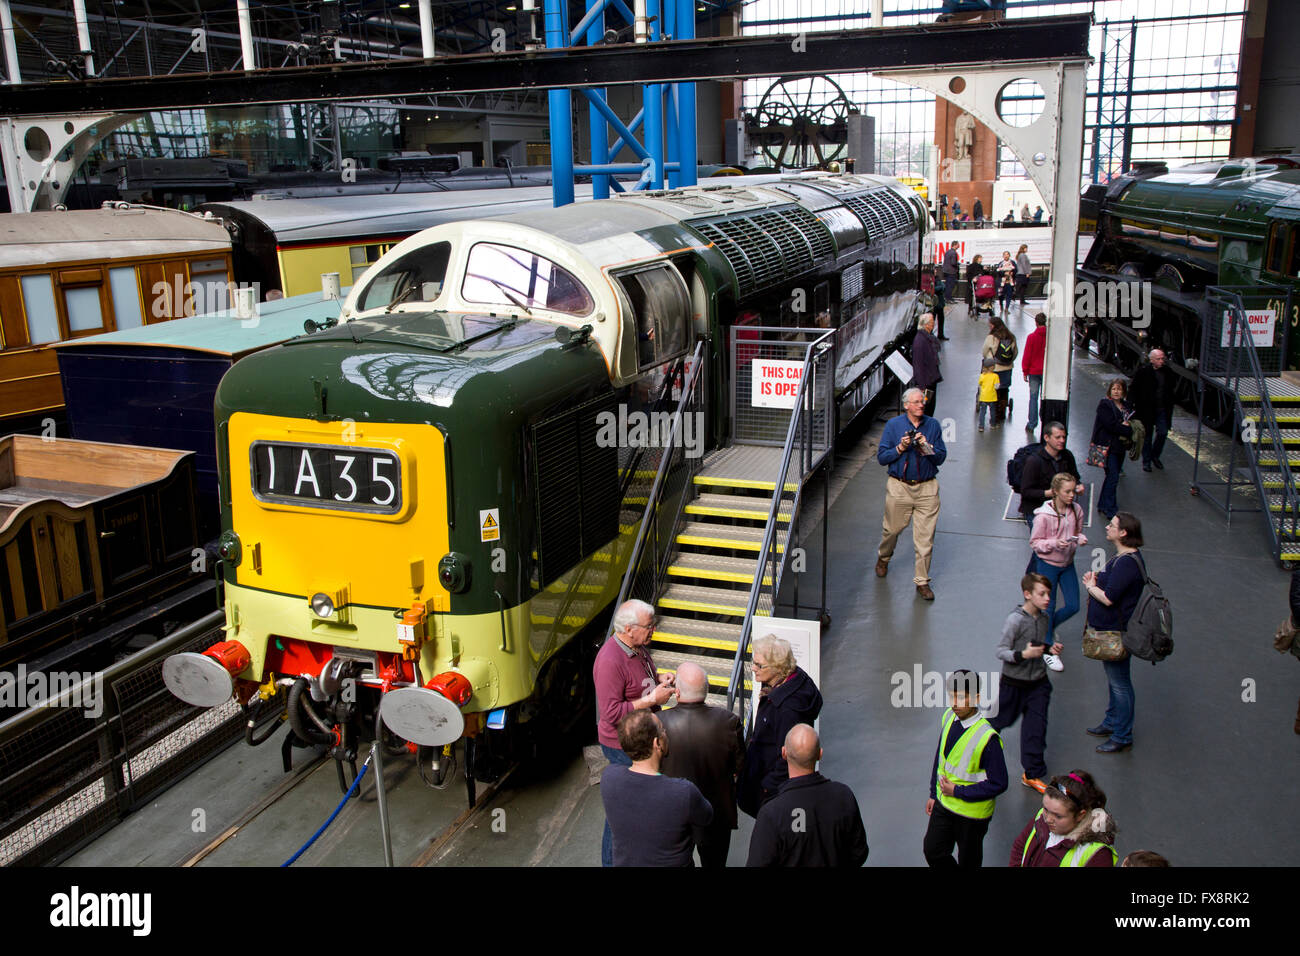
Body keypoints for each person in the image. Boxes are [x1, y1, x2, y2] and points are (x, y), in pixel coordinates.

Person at [593, 598, 676, 866]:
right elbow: (612, 713)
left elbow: (638, 681)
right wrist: (652, 700)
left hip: (639, 736)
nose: (653, 630)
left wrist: (658, 678)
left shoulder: (637, 648)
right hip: (622, 745)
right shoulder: (609, 661)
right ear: (629, 629)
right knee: (621, 813)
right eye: (649, 626)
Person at [659, 661, 745, 868]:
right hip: (716, 814)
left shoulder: (658, 722)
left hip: (674, 815)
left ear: (677, 692)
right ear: (706, 690)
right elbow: (739, 767)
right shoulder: (729, 722)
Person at [600, 710, 713, 866]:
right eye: (663, 730)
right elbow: (706, 816)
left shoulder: (609, 778)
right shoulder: (683, 792)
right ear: (657, 743)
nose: (666, 734)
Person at [746, 724, 869, 867]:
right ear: (819, 754)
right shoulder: (844, 796)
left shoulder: (771, 814)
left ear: (784, 753)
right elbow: (859, 853)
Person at [923, 670, 1008, 867]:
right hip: (945, 803)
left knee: (969, 860)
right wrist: (933, 794)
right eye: (951, 696)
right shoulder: (948, 717)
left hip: (972, 815)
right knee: (933, 850)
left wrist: (957, 791)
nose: (954, 703)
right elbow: (941, 758)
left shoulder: (988, 738)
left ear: (977, 698)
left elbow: (999, 783)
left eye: (961, 697)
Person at [1081, 512, 1146, 754]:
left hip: (1116, 632)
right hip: (1116, 631)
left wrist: (1090, 586)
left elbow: (1109, 598)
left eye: (1112, 525)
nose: (1107, 527)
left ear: (1123, 533)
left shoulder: (1126, 563)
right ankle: (1112, 722)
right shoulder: (1125, 559)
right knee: (1115, 680)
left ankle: (1122, 734)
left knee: (1119, 683)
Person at [875, 386, 948, 599]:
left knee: (925, 539)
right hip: (899, 487)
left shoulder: (933, 426)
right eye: (916, 402)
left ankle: (922, 581)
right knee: (892, 530)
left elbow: (940, 458)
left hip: (927, 487)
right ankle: (884, 557)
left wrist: (926, 446)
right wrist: (900, 447)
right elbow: (882, 458)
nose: (921, 404)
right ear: (906, 405)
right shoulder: (893, 426)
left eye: (922, 401)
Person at [737, 635, 822, 816]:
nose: (753, 668)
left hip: (771, 795)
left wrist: (766, 791)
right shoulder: (790, 680)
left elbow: (787, 757)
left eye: (759, 665)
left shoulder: (787, 710)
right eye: (754, 662)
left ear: (778, 668)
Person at [991, 573, 1061, 793]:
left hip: (1038, 683)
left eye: (1049, 593)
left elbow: (1037, 644)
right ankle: (977, 754)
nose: (1048, 598)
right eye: (1042, 594)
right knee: (997, 723)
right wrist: (1024, 655)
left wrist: (1049, 649)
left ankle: (1032, 773)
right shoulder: (1015, 620)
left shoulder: (1044, 618)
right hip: (1013, 684)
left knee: (1036, 729)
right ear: (1027, 594)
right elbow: (1001, 651)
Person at [1029, 473, 1087, 673]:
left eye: (1073, 490)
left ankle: (1046, 628)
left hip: (1067, 563)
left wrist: (1079, 538)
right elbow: (1035, 543)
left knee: (1073, 605)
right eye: (1067, 491)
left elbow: (1077, 531)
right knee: (1049, 606)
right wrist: (1054, 543)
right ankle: (1047, 650)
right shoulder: (1043, 516)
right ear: (1055, 492)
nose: (1072, 495)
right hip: (1048, 565)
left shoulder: (1076, 510)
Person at [1010, 770, 1118, 867]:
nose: (1048, 819)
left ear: (1080, 815)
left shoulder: (1098, 855)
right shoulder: (1041, 816)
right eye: (1046, 809)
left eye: (1058, 816)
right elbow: (1020, 846)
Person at [1018, 422, 1083, 526]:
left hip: (1061, 509)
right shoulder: (1034, 461)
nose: (1062, 440)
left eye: (1064, 437)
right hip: (1037, 510)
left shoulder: (1067, 456)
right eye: (1058, 437)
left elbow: (1074, 476)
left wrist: (1078, 485)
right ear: (1046, 438)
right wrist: (1048, 493)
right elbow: (1026, 491)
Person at [1091, 378, 1133, 520]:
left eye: (1119, 389)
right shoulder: (1104, 405)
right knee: (1113, 476)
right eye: (1114, 389)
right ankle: (1111, 509)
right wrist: (1126, 429)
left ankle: (1102, 504)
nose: (1116, 392)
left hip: (1119, 447)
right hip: (1107, 447)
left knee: (1111, 476)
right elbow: (1111, 425)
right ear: (1110, 390)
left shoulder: (1126, 405)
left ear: (1123, 392)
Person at [1129, 348, 1175, 472]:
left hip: (1162, 409)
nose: (1162, 361)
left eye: (1163, 358)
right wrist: (1129, 406)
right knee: (1147, 436)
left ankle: (1155, 456)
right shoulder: (1143, 372)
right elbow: (1133, 389)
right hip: (1146, 410)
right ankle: (1147, 461)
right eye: (1159, 359)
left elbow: (1171, 390)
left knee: (1163, 433)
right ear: (1152, 360)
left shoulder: (1168, 372)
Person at [982, 318, 1017, 425]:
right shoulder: (1011, 337)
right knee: (1004, 389)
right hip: (1007, 368)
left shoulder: (991, 338)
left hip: (995, 369)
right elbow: (1015, 352)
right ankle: (1002, 412)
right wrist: (1009, 362)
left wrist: (989, 360)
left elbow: (984, 351)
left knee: (995, 391)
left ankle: (995, 415)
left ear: (993, 326)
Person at [910, 312, 942, 416]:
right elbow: (918, 364)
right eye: (932, 322)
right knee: (927, 407)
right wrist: (921, 385)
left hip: (930, 378)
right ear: (926, 324)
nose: (933, 325)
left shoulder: (927, 337)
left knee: (930, 406)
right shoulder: (920, 341)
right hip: (927, 381)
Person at [1021, 311, 1046, 433]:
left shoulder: (1031, 337)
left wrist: (1025, 371)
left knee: (1033, 397)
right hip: (1046, 372)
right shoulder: (1050, 338)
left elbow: (1027, 355)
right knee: (1044, 397)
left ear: (1036, 323)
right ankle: (1045, 422)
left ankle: (1032, 424)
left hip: (1034, 372)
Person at [977, 357, 998, 433]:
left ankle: (981, 426)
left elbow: (980, 384)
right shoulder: (995, 376)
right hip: (992, 397)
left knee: (982, 412)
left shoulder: (982, 376)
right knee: (992, 411)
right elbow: (997, 386)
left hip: (983, 397)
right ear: (992, 367)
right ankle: (993, 424)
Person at [995, 251, 1017, 316]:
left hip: (1009, 282)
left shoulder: (1012, 262)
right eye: (1004, 255)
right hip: (1002, 282)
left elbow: (1016, 270)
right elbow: (998, 272)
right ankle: (1001, 306)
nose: (1006, 256)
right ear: (1003, 256)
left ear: (1009, 255)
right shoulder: (1001, 263)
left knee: (1009, 295)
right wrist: (1003, 273)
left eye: (1007, 255)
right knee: (1001, 295)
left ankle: (1007, 308)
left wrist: (1012, 273)